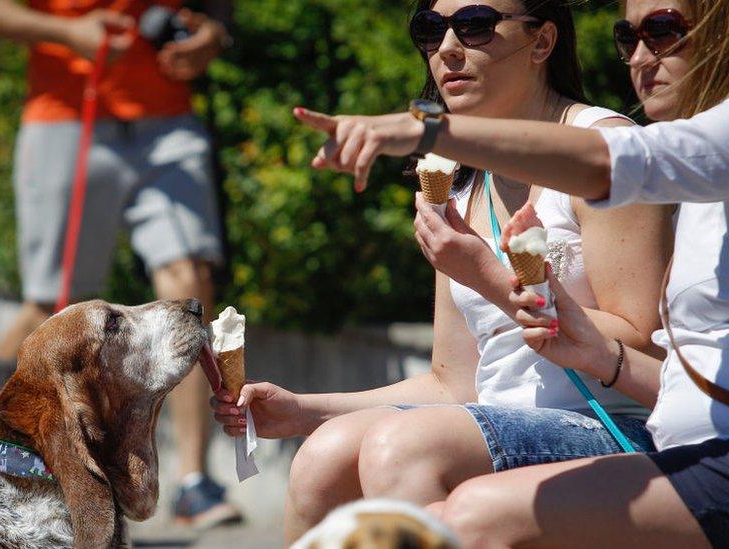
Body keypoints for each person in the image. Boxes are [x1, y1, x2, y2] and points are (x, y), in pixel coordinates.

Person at [212, 0, 673, 542]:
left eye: (475, 26)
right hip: (494, 422)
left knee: (406, 446)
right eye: (431, 30)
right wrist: (303, 410)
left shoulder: (604, 148)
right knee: (323, 455)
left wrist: (486, 275)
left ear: (542, 42)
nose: (448, 48)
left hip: (620, 426)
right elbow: (452, 382)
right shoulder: (460, 179)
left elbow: (646, 346)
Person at [0, 0, 241, 527]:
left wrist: (213, 36)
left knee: (189, 279)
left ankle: (194, 482)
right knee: (49, 304)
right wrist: (65, 31)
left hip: (169, 117)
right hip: (66, 114)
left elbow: (215, 13)